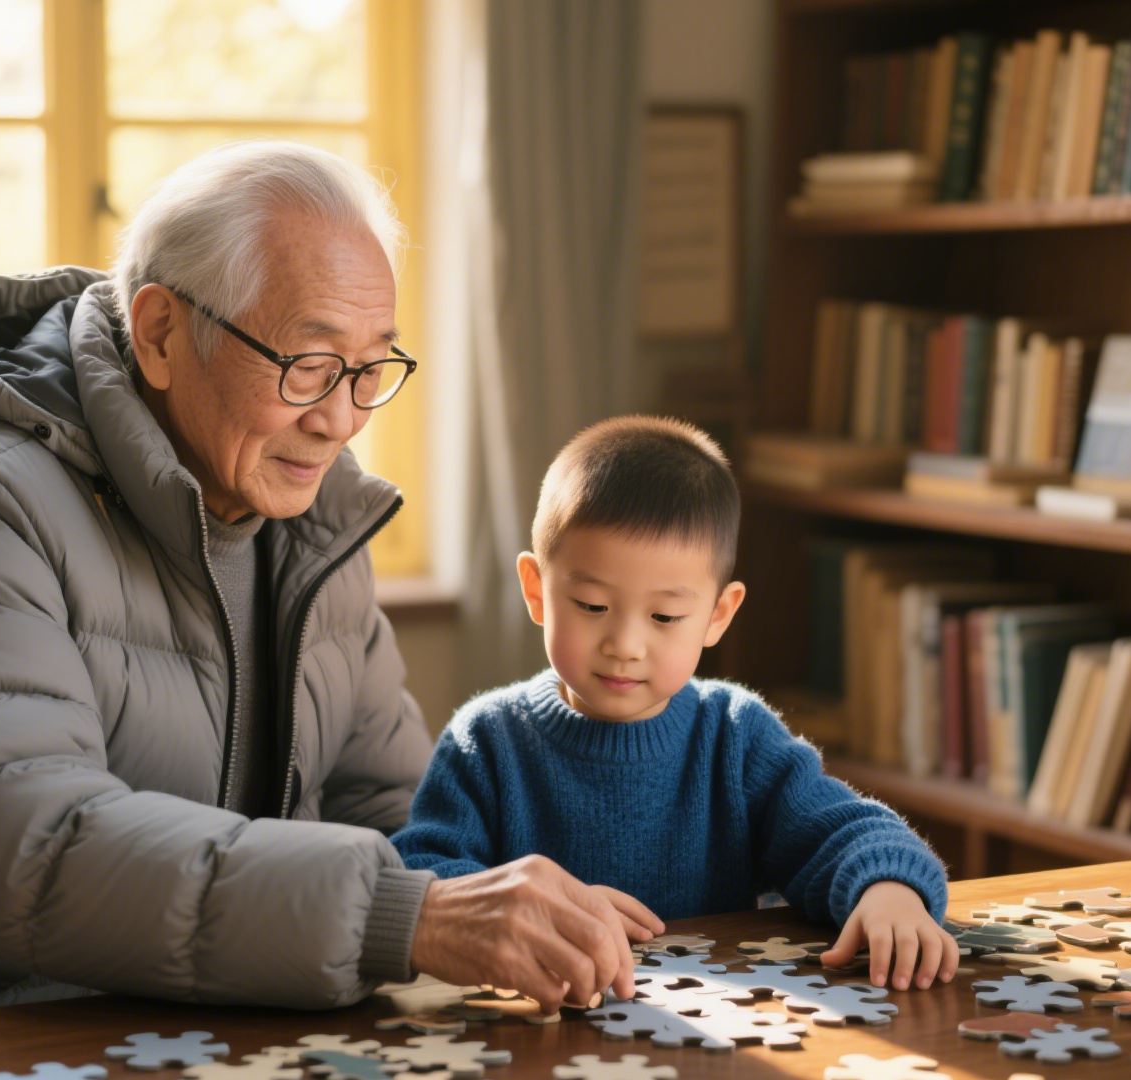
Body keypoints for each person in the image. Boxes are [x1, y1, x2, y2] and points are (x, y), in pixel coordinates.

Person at [0, 141, 641, 1029]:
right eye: (308, 363)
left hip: (196, 1028)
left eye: (371, 369)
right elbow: (21, 846)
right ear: (160, 334)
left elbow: (391, 811)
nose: (340, 420)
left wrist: (512, 895)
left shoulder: (314, 516)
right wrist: (405, 915)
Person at [391, 415, 959, 991]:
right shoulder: (487, 740)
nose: (625, 645)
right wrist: (541, 911)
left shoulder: (735, 734)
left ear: (717, 614)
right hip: (538, 1024)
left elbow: (840, 830)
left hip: (720, 1026)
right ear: (537, 590)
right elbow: (422, 875)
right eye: (592, 606)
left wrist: (888, 888)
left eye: (664, 617)